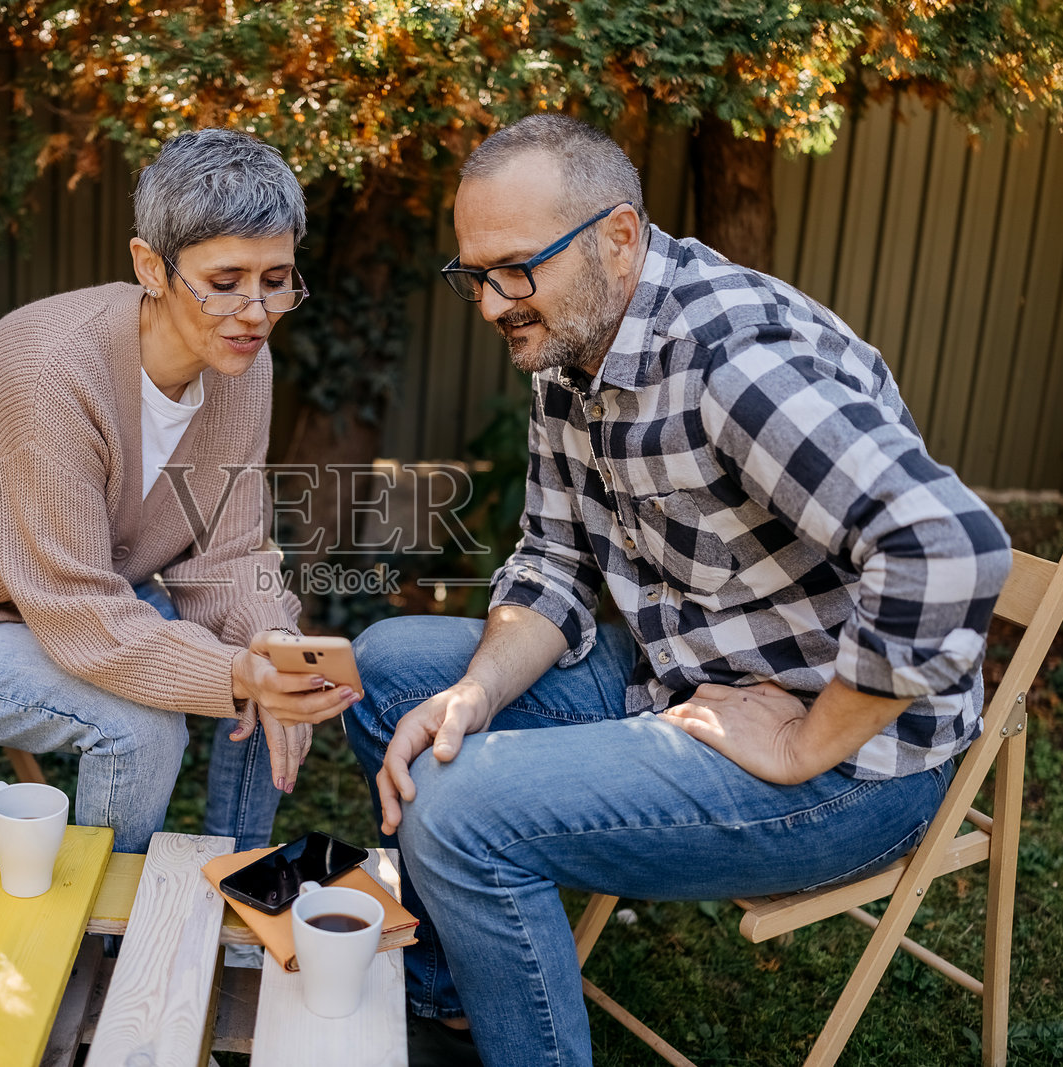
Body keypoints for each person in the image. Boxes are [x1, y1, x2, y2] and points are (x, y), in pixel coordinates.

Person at [342, 115, 1012, 1066]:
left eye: (515, 268)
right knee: (390, 673)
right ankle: (456, 1000)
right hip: (685, 676)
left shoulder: (735, 358)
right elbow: (554, 562)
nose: (492, 304)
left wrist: (804, 739)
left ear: (619, 236)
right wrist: (477, 693)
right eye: (474, 275)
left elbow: (948, 548)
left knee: (459, 812)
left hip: (853, 768)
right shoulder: (569, 344)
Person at [0, 129, 359, 854]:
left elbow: (229, 550)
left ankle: (237, 875)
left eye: (276, 280)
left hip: (67, 595)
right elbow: (78, 611)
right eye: (224, 283)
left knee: (273, 658)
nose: (255, 312)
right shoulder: (50, 377)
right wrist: (232, 671)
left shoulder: (243, 364)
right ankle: (103, 945)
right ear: (152, 267)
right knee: (144, 727)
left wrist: (265, 640)